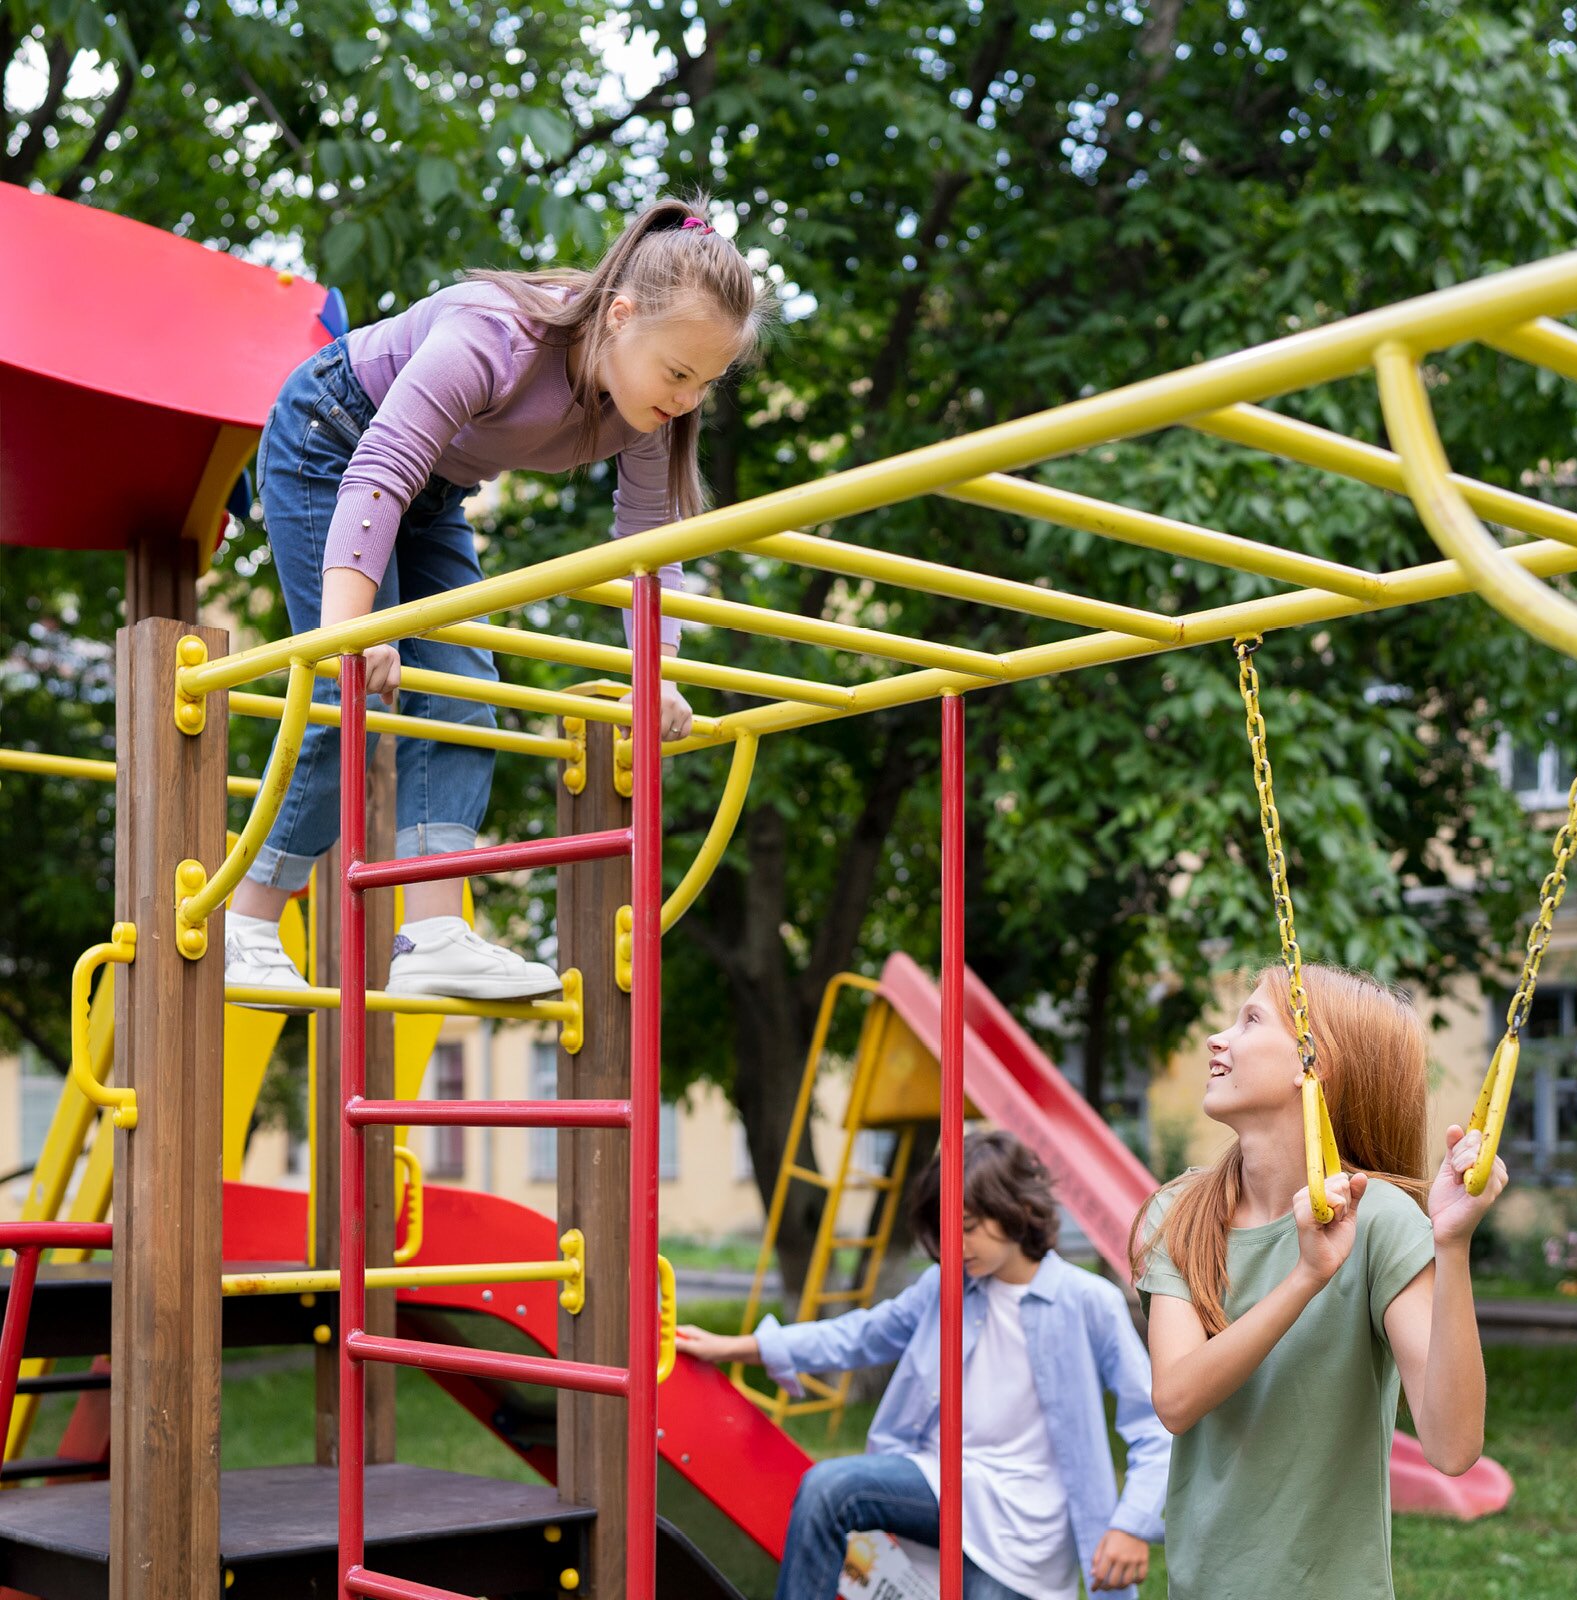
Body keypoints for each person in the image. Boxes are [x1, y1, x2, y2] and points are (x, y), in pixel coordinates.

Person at [224, 193, 770, 1007]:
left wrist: (662, 675)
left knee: (464, 688)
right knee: (350, 694)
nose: (688, 399)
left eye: (708, 383)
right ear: (619, 316)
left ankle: (433, 932)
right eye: (679, 374)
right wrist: (351, 628)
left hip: (434, 493)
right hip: (332, 446)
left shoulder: (650, 414)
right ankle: (248, 924)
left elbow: (651, 550)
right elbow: (383, 465)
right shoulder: (498, 333)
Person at [1132, 964, 1508, 1600]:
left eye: (1250, 1020)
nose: (1216, 1039)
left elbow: (1451, 1447)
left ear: (1315, 1061)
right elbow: (1176, 1398)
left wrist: (1452, 1244)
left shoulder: (1380, 1220)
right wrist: (1307, 1275)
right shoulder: (1181, 1213)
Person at [678, 1130, 1171, 1598]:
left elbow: (1153, 1424)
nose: (955, 1247)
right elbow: (859, 1336)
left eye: (969, 1229)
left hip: (1025, 1530)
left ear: (1019, 1210)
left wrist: (1131, 1525)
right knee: (829, 1490)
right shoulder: (946, 1288)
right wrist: (736, 1347)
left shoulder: (1087, 1302)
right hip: (942, 1486)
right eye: (946, 1233)